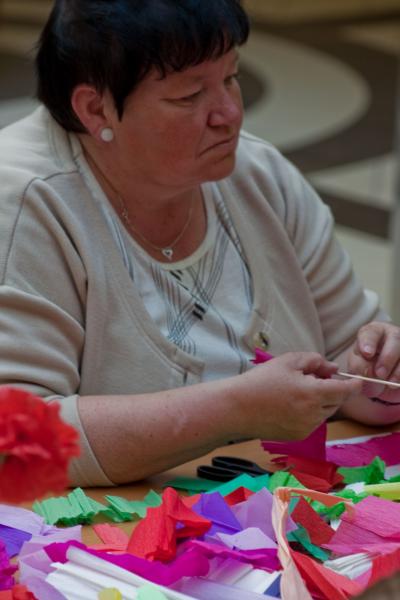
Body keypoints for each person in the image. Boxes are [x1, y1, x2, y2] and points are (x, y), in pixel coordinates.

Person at [0, 0, 400, 488]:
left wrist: (377, 374)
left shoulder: (258, 174)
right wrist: (234, 409)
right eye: (190, 95)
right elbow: (17, 444)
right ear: (96, 108)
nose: (229, 114)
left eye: (231, 77)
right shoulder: (23, 204)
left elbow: (349, 356)